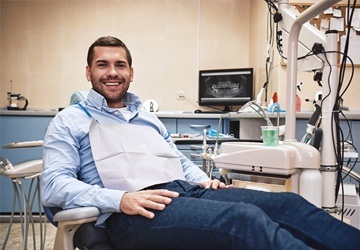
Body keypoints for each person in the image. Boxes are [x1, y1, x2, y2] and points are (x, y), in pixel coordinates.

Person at [41, 36, 360, 250]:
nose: (112, 72)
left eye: (120, 65)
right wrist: (120, 199)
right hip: (132, 213)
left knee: (287, 205)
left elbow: (176, 160)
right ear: (88, 72)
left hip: (184, 190)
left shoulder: (147, 118)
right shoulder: (70, 120)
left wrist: (202, 180)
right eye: (102, 65)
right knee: (244, 220)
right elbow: (54, 186)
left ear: (131, 72)